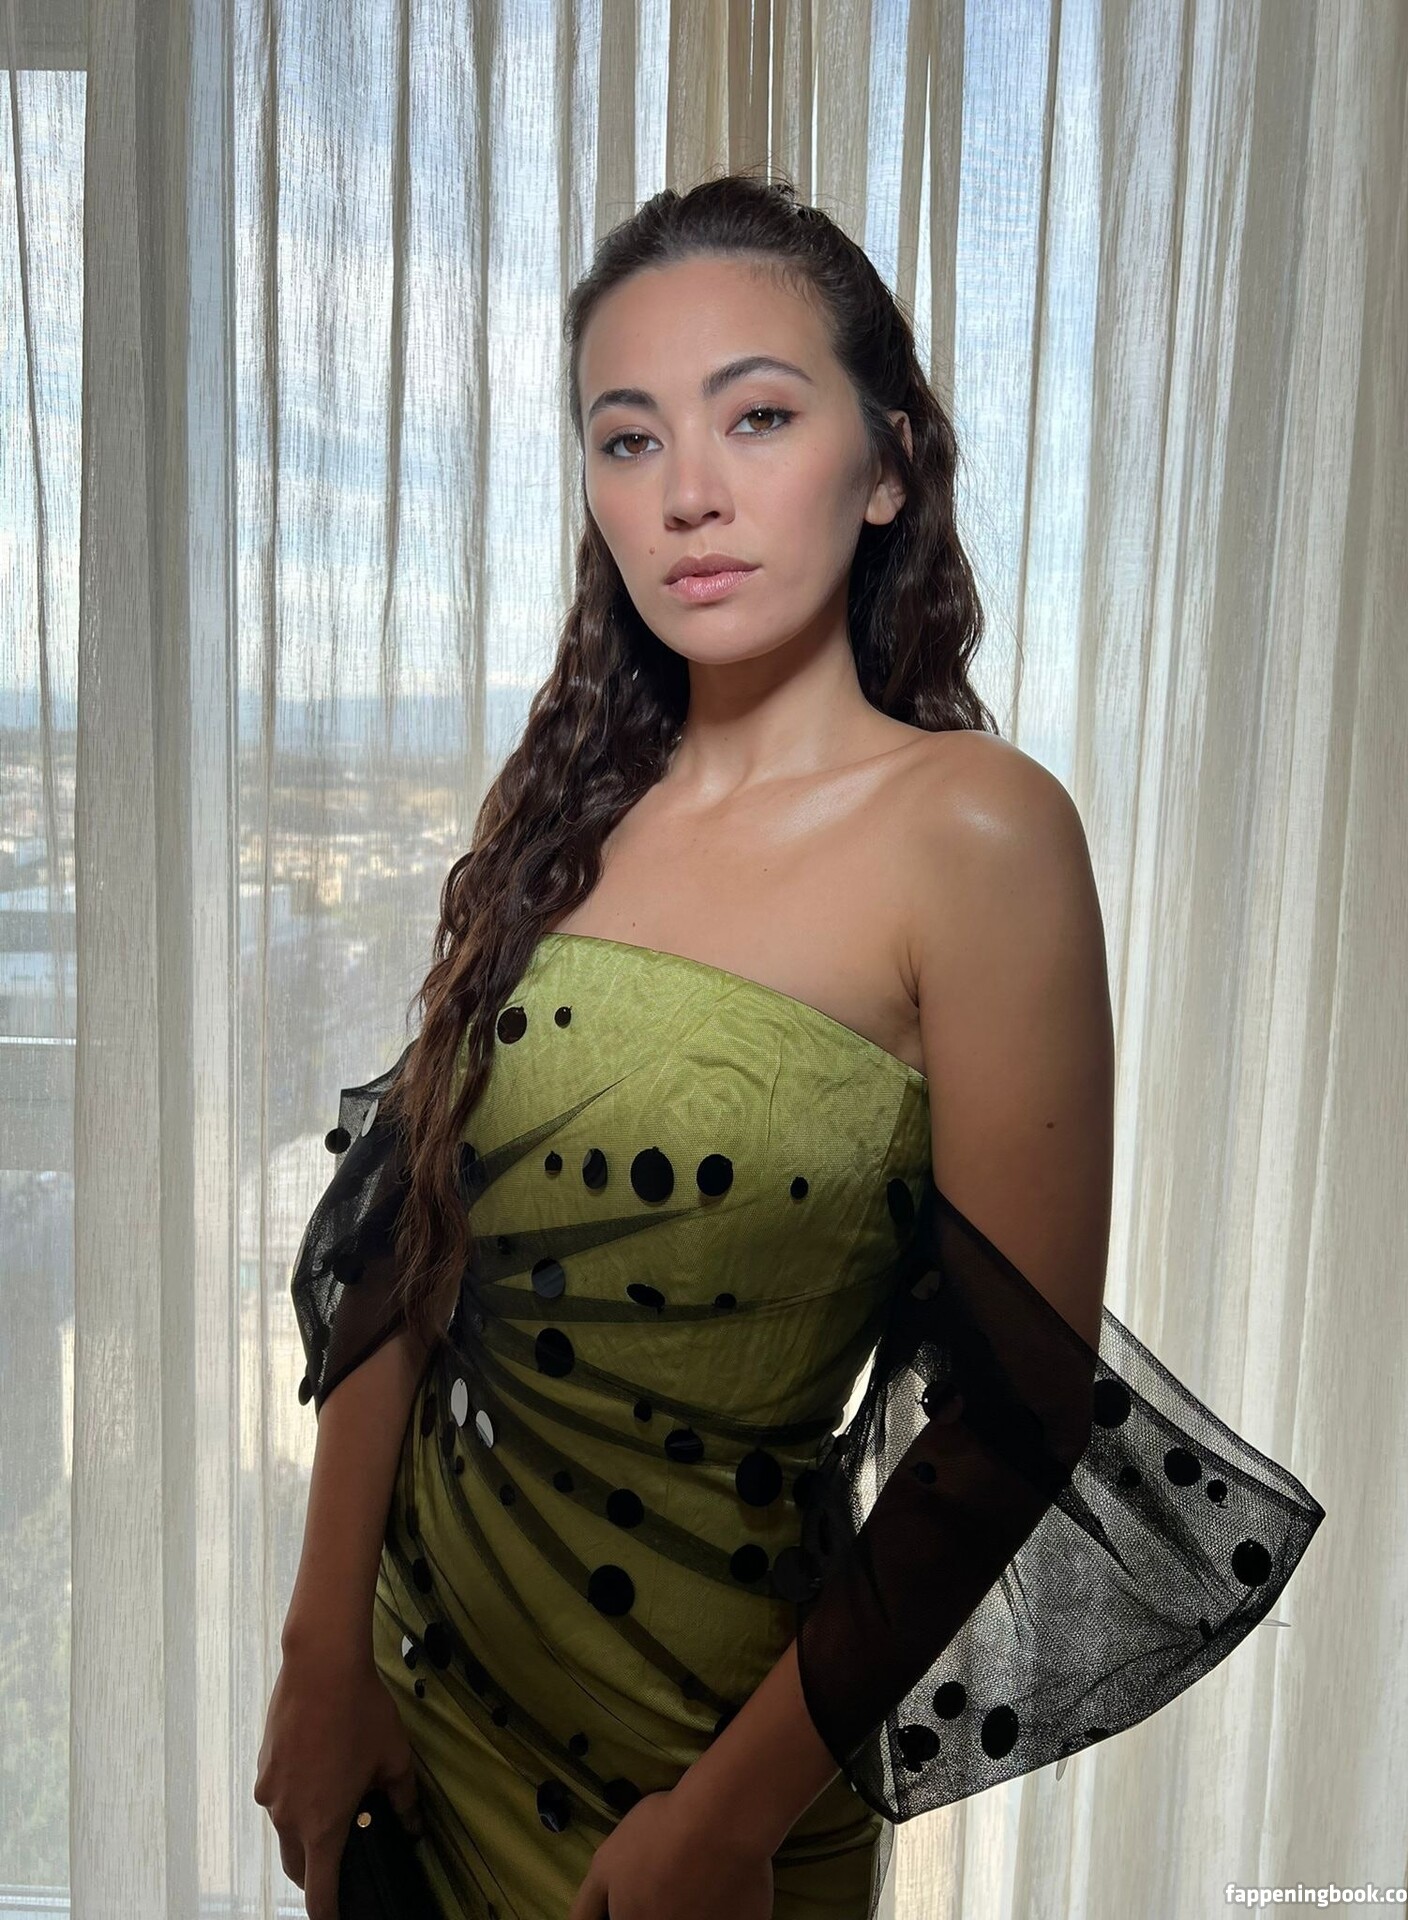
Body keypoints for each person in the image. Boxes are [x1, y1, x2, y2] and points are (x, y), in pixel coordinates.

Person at [254, 171, 1324, 1920]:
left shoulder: (978, 834)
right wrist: (318, 1654)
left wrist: (729, 1820)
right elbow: (402, 1219)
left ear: (886, 465)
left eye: (756, 415)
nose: (688, 490)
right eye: (628, 439)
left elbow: (1015, 1416)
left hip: (709, 1770)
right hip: (418, 1703)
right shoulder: (572, 807)